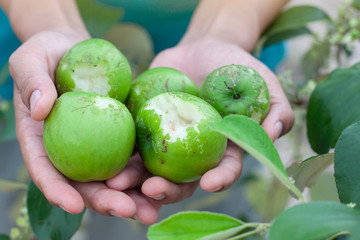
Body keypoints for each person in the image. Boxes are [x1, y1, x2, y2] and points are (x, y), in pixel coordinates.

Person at [0, 0, 294, 225]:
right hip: (33, 61)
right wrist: (50, 25)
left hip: (217, 86)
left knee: (207, 217)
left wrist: (222, 32)